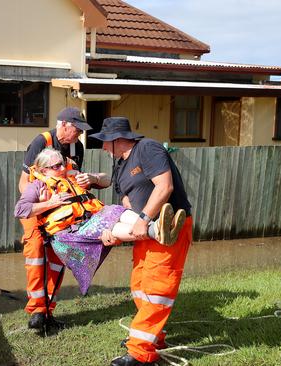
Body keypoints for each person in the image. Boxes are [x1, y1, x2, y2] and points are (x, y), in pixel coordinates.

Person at [90, 117, 193, 366]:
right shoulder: (120, 165)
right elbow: (125, 199)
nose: (104, 148)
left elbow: (164, 186)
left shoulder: (147, 148)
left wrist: (145, 218)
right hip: (144, 229)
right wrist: (121, 227)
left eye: (106, 142)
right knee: (139, 284)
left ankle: (140, 352)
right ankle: (152, 337)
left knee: (157, 286)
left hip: (169, 226)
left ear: (118, 140)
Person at [14, 148, 185, 295]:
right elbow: (20, 210)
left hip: (91, 220)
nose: (62, 168)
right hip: (70, 234)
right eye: (56, 166)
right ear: (44, 171)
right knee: (106, 224)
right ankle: (156, 232)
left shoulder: (71, 178)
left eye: (62, 164)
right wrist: (50, 203)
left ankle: (156, 226)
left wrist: (92, 178)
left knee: (114, 210)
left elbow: (107, 180)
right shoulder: (38, 186)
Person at [18, 107, 110, 329]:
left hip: (63, 210)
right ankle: (37, 310)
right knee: (36, 252)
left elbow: (73, 179)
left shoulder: (76, 146)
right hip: (39, 207)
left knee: (59, 256)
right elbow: (23, 184)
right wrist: (43, 205)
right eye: (77, 130)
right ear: (64, 124)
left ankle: (49, 309)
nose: (79, 135)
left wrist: (89, 181)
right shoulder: (41, 142)